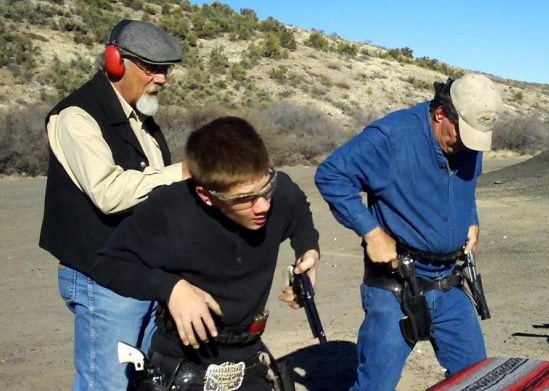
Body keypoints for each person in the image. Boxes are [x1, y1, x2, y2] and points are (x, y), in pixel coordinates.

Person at [91, 116, 320, 391]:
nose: (262, 206)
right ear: (207, 195)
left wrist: (308, 250)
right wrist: (172, 288)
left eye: (265, 189)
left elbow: (299, 211)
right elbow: (108, 264)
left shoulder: (278, 192)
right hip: (184, 366)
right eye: (244, 199)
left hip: (249, 359)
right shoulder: (170, 209)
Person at [314, 73, 503, 390]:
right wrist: (372, 232)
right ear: (441, 114)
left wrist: (471, 218)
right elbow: (331, 175)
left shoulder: (467, 139)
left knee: (477, 379)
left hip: (450, 281)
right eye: (463, 136)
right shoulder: (391, 137)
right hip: (397, 285)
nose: (468, 147)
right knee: (376, 385)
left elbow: (467, 186)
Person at [39, 19, 187, 390]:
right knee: (105, 384)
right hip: (101, 276)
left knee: (143, 381)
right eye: (152, 68)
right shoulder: (77, 116)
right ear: (116, 62)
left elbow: (153, 190)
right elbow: (109, 192)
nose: (163, 79)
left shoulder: (142, 117)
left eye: (165, 69)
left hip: (143, 273)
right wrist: (183, 172)